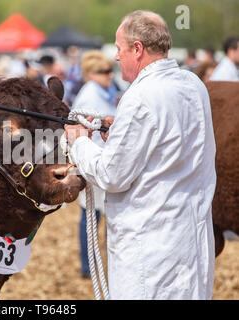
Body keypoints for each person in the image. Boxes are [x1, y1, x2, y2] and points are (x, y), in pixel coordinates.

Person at [65, 10, 216, 299]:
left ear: (137, 49)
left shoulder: (140, 96)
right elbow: (168, 144)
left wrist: (80, 142)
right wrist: (120, 127)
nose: (117, 57)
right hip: (192, 239)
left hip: (150, 249)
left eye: (120, 49)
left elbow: (112, 175)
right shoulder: (193, 85)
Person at [71, 50, 117, 278]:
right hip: (94, 160)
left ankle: (97, 263)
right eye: (103, 71)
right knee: (90, 217)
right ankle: (88, 265)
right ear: (89, 74)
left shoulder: (107, 91)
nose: (109, 75)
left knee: (97, 216)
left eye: (110, 70)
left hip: (104, 160)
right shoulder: (90, 95)